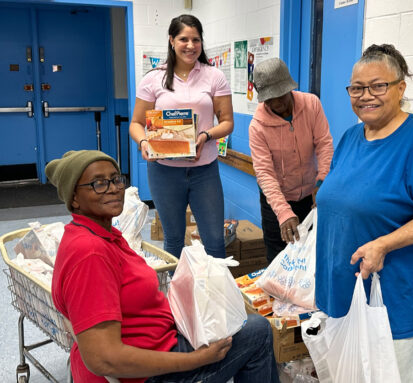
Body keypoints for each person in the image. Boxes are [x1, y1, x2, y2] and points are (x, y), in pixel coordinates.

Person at [45, 150, 279, 383]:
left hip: (159, 344)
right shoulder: (90, 253)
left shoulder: (103, 235)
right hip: (145, 374)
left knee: (239, 322)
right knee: (257, 331)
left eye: (116, 179)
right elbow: (103, 359)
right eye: (98, 184)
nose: (114, 188)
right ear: (74, 198)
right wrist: (198, 359)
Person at [315, 44, 413, 382]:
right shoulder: (350, 137)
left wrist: (384, 244)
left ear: (401, 87)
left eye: (378, 86)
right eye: (357, 88)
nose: (365, 95)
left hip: (401, 313)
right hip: (345, 303)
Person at [129, 14, 234, 259]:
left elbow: (227, 122)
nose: (190, 45)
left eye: (196, 39)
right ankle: (175, 295)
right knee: (174, 240)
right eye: (184, 39)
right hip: (164, 171)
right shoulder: (153, 78)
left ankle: (215, 295)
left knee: (215, 242)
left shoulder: (214, 76)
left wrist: (206, 136)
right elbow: (135, 123)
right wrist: (144, 142)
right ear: (171, 40)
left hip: (204, 170)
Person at [249, 57, 333, 263]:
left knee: (310, 254)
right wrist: (284, 212)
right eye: (270, 99)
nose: (277, 104)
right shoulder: (257, 127)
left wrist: (323, 180)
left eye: (280, 96)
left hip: (309, 196)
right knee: (279, 256)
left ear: (289, 88)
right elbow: (265, 174)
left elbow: (324, 143)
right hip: (276, 199)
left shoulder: (312, 104)